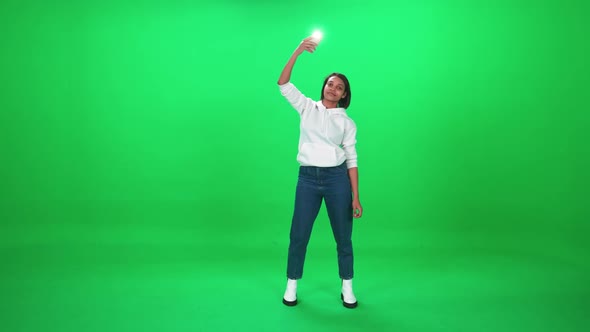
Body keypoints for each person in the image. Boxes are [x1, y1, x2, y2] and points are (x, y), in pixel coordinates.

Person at [277, 36, 363, 309]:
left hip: (337, 179)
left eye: (339, 87)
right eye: (330, 84)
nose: (333, 89)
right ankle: (291, 284)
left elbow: (351, 159)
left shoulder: (347, 123)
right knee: (299, 233)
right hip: (307, 179)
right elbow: (283, 83)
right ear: (324, 86)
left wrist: (356, 196)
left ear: (344, 95)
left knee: (343, 236)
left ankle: (347, 286)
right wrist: (299, 51)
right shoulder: (307, 107)